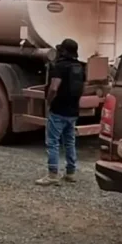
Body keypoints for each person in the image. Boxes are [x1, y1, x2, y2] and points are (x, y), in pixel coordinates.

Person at [36, 38, 86, 186]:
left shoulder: (60, 66)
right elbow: (82, 88)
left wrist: (49, 101)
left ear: (63, 51)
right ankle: (70, 172)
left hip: (58, 110)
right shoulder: (79, 67)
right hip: (73, 111)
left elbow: (53, 88)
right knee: (70, 142)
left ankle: (52, 174)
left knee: (52, 142)